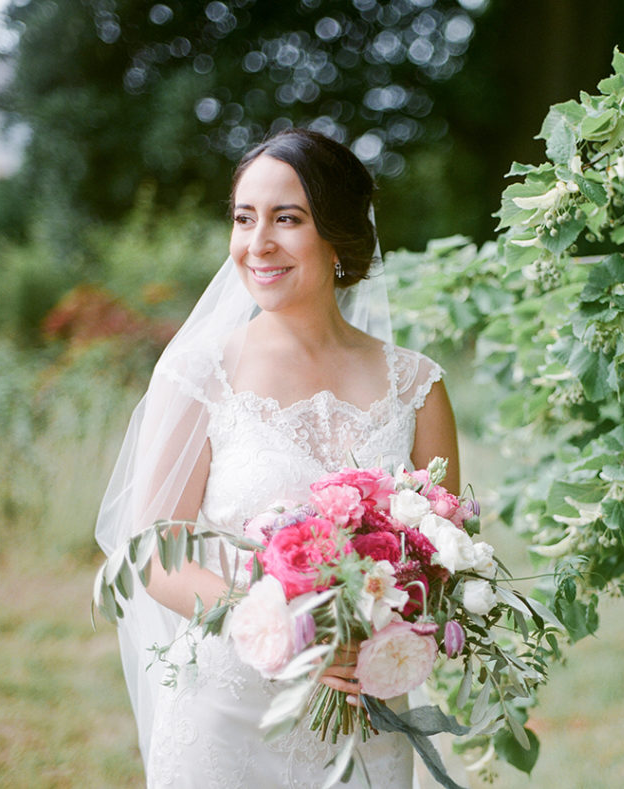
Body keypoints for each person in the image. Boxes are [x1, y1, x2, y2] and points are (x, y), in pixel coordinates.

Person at [95, 128, 460, 787]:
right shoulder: (200, 373)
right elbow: (154, 553)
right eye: (244, 218)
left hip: (362, 717)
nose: (257, 243)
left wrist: (384, 629)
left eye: (286, 219)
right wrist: (291, 631)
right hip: (226, 718)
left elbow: (440, 560)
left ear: (339, 235)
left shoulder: (418, 386)